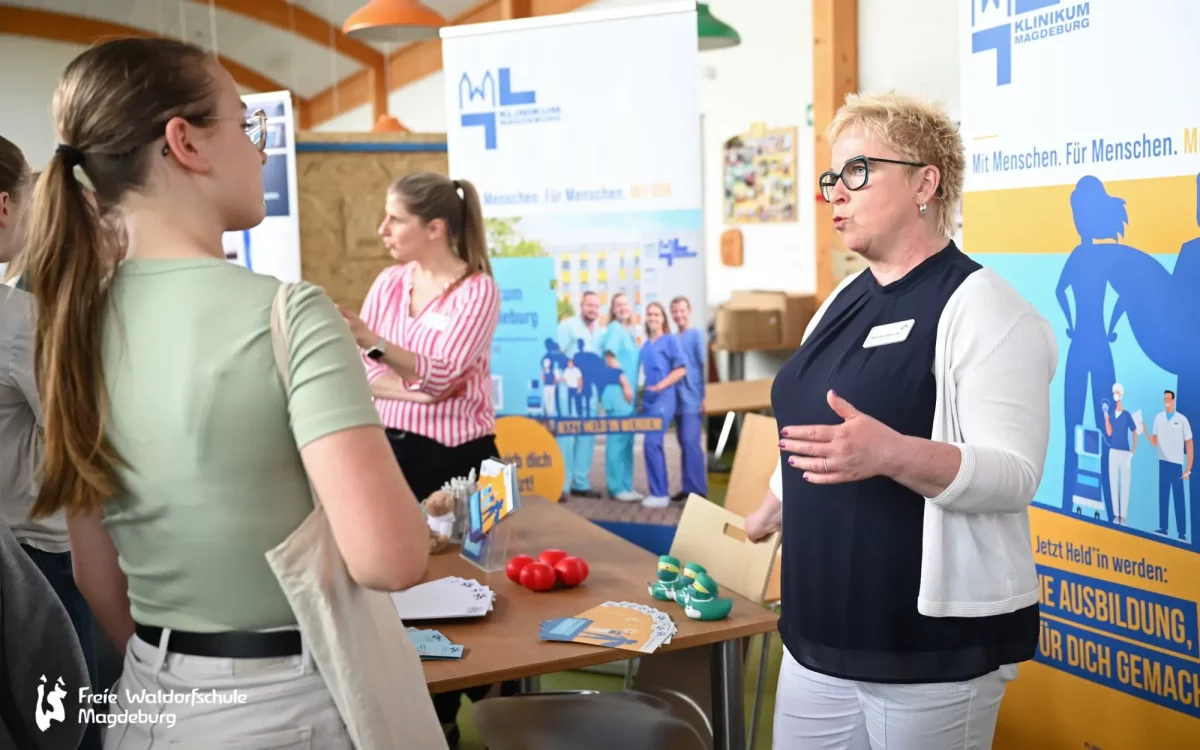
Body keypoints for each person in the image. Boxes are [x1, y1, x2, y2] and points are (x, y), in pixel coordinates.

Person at [23, 38, 432, 748]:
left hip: (146, 704)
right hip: (282, 708)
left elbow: (96, 576)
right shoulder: (289, 315)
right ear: (185, 142)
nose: (260, 151)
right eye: (247, 125)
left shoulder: (71, 330)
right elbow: (390, 558)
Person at [744, 92, 1057, 749]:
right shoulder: (843, 298)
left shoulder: (985, 308)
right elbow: (820, 417)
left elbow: (1013, 475)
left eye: (857, 171)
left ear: (925, 184)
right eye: (832, 177)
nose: (836, 192)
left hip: (927, 648)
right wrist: (778, 497)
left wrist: (892, 454)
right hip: (817, 632)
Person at [337, 171, 514, 745]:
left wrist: (376, 345)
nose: (382, 229)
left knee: (474, 595)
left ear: (435, 228)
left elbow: (439, 376)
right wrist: (414, 384)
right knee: (404, 595)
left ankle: (489, 713)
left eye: (395, 219)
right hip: (392, 456)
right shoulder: (389, 283)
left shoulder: (478, 291)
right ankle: (428, 718)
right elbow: (371, 376)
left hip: (463, 463)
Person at [1, 135, 103, 750]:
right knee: (66, 726)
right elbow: (82, 436)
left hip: (22, 541)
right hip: (36, 553)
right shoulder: (17, 316)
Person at [556, 291, 605, 499]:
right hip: (570, 391)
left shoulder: (601, 332)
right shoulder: (568, 326)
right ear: (581, 305)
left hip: (591, 394)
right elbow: (557, 354)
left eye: (596, 306)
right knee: (567, 437)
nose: (592, 309)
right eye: (589, 305)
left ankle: (580, 482)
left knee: (586, 437)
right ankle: (561, 485)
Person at [639, 301, 686, 509]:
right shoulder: (645, 345)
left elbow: (681, 370)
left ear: (663, 318)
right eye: (650, 314)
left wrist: (659, 387)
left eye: (657, 314)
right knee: (649, 444)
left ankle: (660, 494)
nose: (653, 318)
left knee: (652, 442)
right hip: (649, 400)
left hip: (664, 397)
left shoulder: (669, 340)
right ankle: (656, 492)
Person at [600, 292, 640, 501]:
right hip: (619, 394)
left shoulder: (629, 332)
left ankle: (627, 486)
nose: (623, 308)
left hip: (628, 398)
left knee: (627, 443)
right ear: (613, 310)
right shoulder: (615, 329)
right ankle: (616, 488)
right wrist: (625, 384)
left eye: (626, 304)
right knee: (617, 442)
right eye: (618, 305)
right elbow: (610, 358)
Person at [669, 295, 707, 502]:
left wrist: (706, 396)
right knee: (684, 443)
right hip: (677, 401)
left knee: (691, 443)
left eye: (682, 310)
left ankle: (698, 490)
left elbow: (704, 366)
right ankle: (687, 487)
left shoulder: (696, 335)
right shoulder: (672, 338)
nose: (679, 315)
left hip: (693, 398)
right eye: (675, 311)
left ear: (689, 312)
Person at [1147, 389, 1193, 540]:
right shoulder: (1159, 418)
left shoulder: (1182, 420)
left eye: (1169, 399)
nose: (1166, 402)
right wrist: (1145, 431)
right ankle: (1163, 527)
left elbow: (1189, 443)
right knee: (1163, 496)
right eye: (1164, 399)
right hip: (1163, 462)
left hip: (1176, 464)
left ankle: (1182, 532)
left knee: (1179, 498)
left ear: (1174, 400)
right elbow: (1155, 441)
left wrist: (1188, 468)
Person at [1103, 382, 1137, 525]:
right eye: (1114, 392)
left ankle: (1123, 516)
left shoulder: (1127, 415)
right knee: (1113, 482)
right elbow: (1109, 432)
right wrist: (1106, 418)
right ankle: (1116, 515)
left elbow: (1135, 433)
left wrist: (1132, 453)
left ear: (1121, 394)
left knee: (1125, 483)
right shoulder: (1111, 414)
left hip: (1125, 453)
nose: (1115, 395)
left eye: (1117, 392)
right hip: (1113, 451)